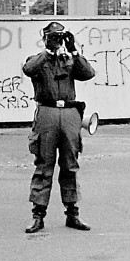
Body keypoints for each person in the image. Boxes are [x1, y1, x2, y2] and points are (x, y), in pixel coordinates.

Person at [23, 21, 95, 234]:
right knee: (44, 164)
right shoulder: (37, 59)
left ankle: (72, 213)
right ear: (45, 38)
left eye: (59, 37)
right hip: (47, 112)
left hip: (70, 113)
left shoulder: (69, 60)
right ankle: (38, 215)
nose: (57, 41)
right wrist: (48, 50)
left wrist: (73, 49)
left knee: (70, 164)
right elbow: (29, 69)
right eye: (53, 37)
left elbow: (88, 73)